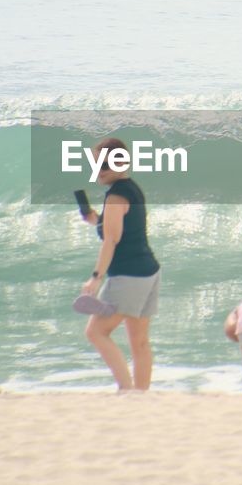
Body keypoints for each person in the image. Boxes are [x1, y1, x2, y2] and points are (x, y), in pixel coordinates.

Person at [79, 137, 161, 391]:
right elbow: (120, 229)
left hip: (128, 275)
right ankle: (141, 394)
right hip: (149, 272)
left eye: (104, 164)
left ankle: (126, 389)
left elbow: (111, 240)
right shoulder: (131, 188)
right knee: (139, 342)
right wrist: (95, 219)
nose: (99, 171)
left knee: (95, 332)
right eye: (96, 165)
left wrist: (96, 277)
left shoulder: (115, 198)